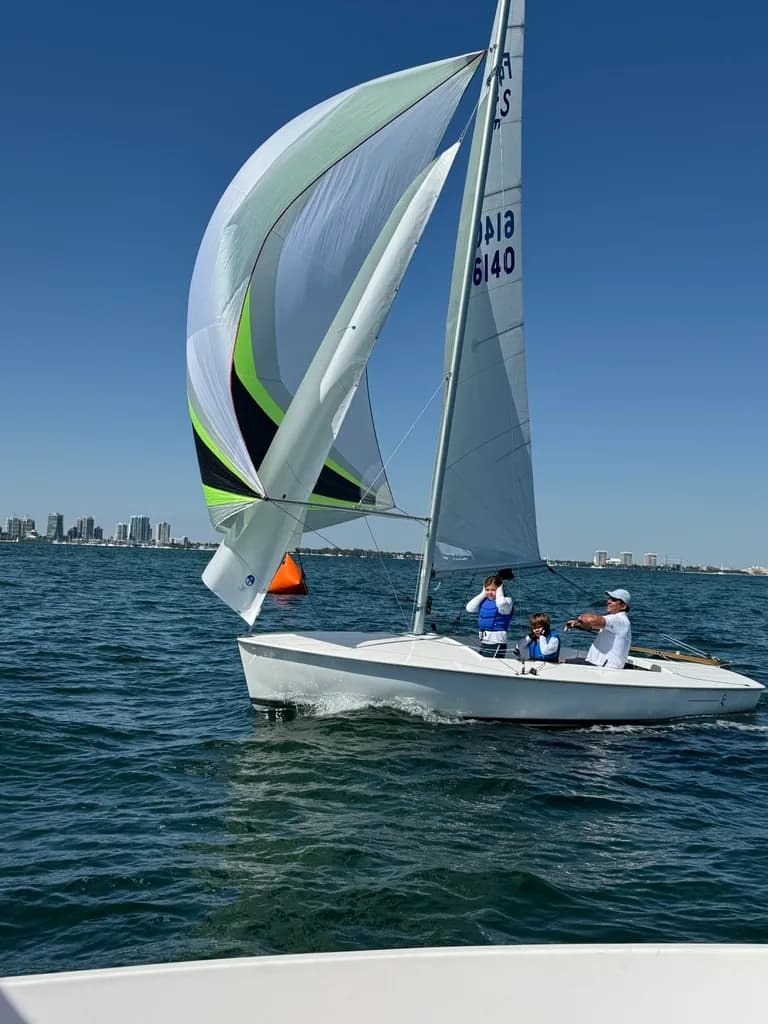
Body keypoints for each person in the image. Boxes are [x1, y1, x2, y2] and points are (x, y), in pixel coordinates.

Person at [564, 589, 632, 669]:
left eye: (613, 600)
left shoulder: (618, 619)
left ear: (623, 606)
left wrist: (580, 617)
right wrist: (577, 624)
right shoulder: (618, 621)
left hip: (605, 668)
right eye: (609, 598)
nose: (608, 602)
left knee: (561, 662)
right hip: (597, 663)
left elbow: (590, 620)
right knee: (564, 661)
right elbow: (595, 628)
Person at [466, 573, 513, 658]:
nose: (490, 592)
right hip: (484, 642)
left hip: (497, 643)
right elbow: (469, 608)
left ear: (499, 589)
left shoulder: (507, 601)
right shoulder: (484, 601)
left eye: (493, 590)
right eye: (487, 589)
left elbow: (501, 603)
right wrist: (482, 594)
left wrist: (499, 591)